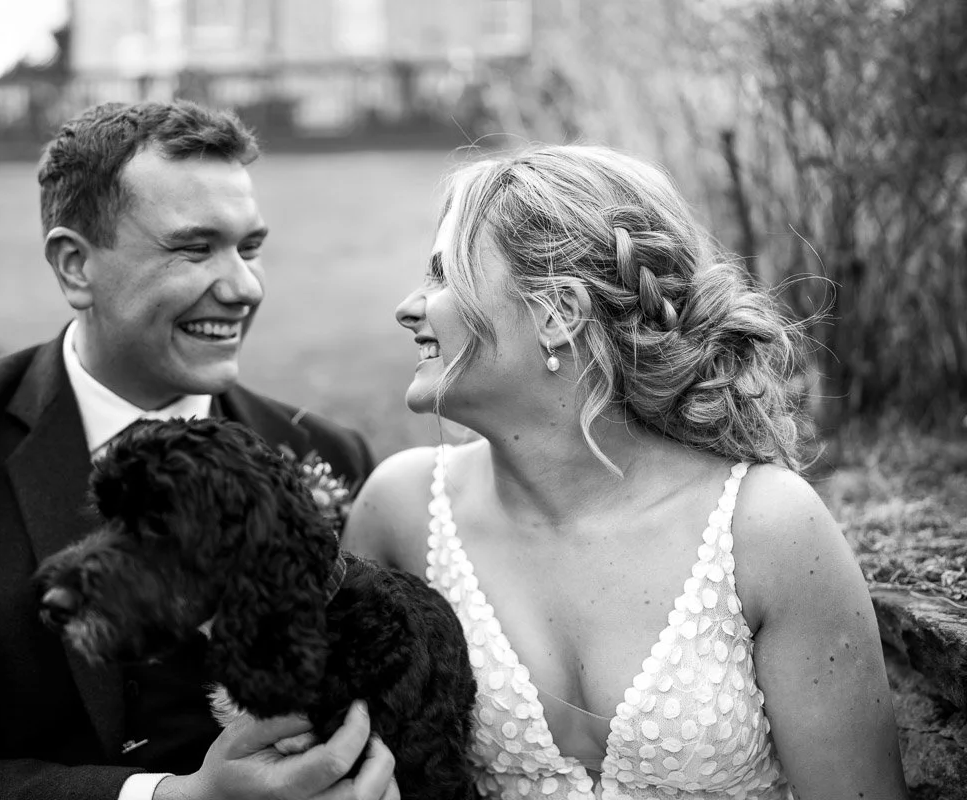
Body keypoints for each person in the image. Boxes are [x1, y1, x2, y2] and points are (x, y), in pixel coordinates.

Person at [0, 101, 398, 800]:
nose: (244, 287)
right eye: (194, 248)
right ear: (75, 266)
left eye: (249, 248)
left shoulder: (326, 454)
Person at [345, 145, 909, 799]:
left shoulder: (765, 529)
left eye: (444, 277)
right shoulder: (401, 512)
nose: (410, 307)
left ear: (558, 314)